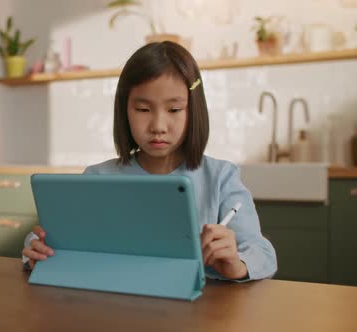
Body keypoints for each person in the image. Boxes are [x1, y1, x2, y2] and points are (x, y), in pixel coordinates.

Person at [22, 41, 277, 281]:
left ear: (193, 109)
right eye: (143, 110)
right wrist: (35, 248)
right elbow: (50, 236)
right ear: (125, 110)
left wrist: (237, 265)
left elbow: (262, 253)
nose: (158, 126)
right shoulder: (97, 179)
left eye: (174, 110)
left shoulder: (221, 177)